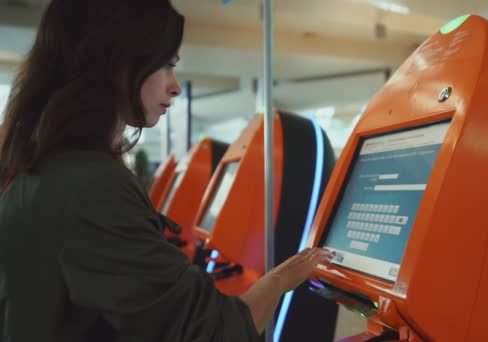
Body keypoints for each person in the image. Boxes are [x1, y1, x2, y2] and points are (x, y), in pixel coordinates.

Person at [0, 1, 333, 341]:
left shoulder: (38, 172)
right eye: (165, 65)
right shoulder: (90, 189)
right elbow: (213, 333)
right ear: (116, 62)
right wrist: (281, 279)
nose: (175, 86)